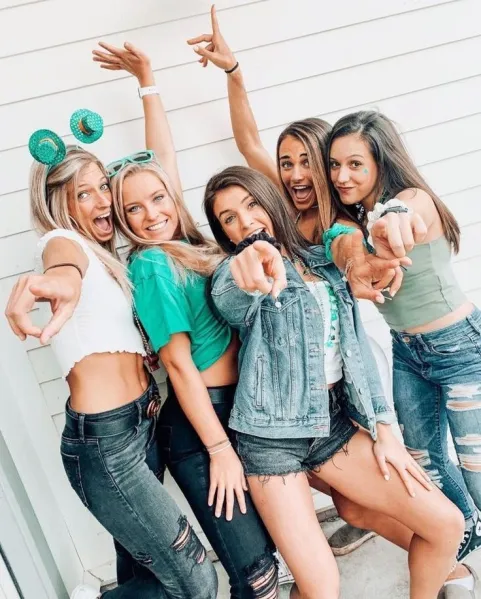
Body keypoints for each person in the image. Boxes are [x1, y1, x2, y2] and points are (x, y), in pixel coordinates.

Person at [187, 4, 400, 556]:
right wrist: (234, 73)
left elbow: (348, 248)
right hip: (291, 369)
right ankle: (351, 513)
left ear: (328, 167)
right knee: (335, 474)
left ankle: (425, 541)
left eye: (308, 162)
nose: (296, 173)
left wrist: (359, 259)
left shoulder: (335, 222)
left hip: (349, 343)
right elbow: (248, 139)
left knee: (377, 453)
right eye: (287, 163)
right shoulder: (276, 204)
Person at [203, 164, 464, 599]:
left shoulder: (321, 263)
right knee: (322, 589)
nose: (245, 221)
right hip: (270, 442)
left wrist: (384, 428)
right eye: (229, 217)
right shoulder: (237, 275)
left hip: (333, 427)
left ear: (271, 201)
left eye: (251, 205)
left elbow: (356, 349)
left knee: (446, 525)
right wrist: (250, 261)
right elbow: (232, 294)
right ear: (224, 233)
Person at [94, 40, 280, 598]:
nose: (151, 214)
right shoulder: (152, 264)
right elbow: (177, 365)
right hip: (203, 427)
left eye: (159, 199)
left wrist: (147, 80)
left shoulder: (186, 245)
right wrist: (218, 449)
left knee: (267, 558)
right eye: (133, 209)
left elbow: (161, 165)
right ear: (121, 220)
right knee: (257, 573)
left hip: (239, 410)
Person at [5, 145, 218, 599]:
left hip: (141, 422)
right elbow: (64, 269)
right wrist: (55, 282)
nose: (104, 201)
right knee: (196, 582)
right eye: (84, 193)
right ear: (57, 203)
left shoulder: (108, 258)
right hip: (107, 445)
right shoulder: (63, 243)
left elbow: (164, 167)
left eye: (104, 186)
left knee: (148, 575)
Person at [325, 109, 481, 595]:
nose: (341, 175)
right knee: (425, 462)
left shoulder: (412, 200)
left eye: (355, 164)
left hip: (460, 348)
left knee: (477, 471)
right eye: (334, 165)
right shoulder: (349, 221)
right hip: (408, 353)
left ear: (381, 161)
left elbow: (400, 216)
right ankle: (464, 538)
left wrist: (391, 224)